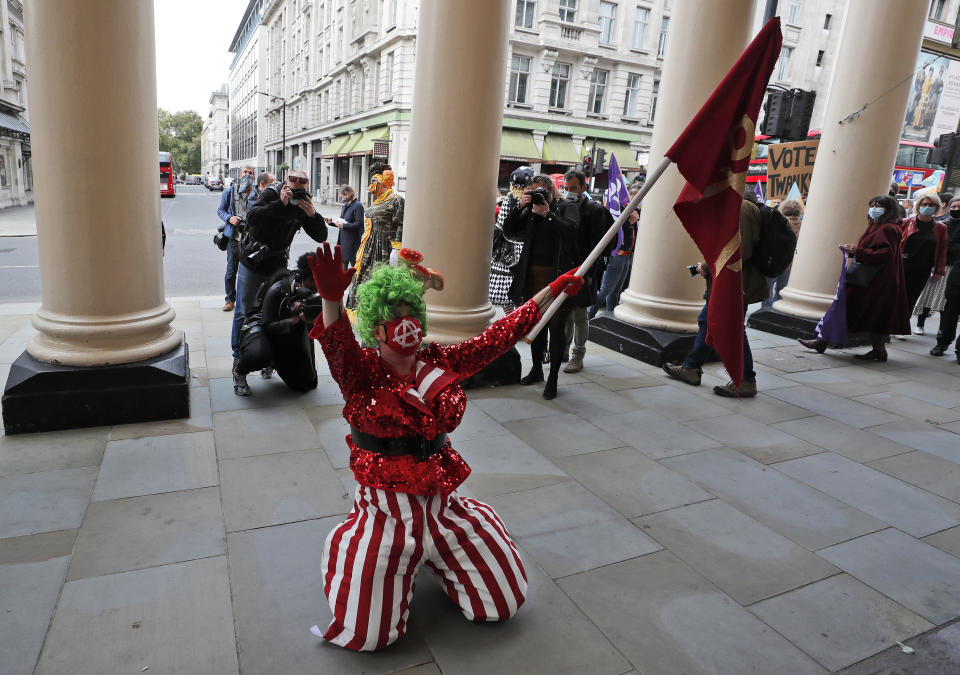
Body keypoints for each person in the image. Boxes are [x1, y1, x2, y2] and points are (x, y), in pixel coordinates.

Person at [304, 242, 583, 651]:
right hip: (387, 514)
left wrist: (551, 293)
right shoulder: (359, 372)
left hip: (442, 503)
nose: (407, 325)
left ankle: (444, 551)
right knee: (370, 636)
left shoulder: (438, 360)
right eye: (395, 317)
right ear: (376, 328)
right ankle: (351, 545)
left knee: (503, 603)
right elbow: (337, 345)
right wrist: (331, 300)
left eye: (411, 315)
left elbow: (497, 338)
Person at [231, 169, 327, 393]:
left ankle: (271, 360)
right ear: (286, 181)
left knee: (277, 313)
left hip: (278, 266)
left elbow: (321, 235)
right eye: (293, 181)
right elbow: (252, 219)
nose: (297, 187)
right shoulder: (272, 194)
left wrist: (313, 215)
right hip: (253, 263)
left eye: (303, 183)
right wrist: (279, 205)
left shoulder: (304, 202)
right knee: (244, 312)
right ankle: (239, 365)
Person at [663, 198, 767, 397]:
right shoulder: (738, 206)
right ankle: (691, 367)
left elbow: (738, 249)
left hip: (734, 282)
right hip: (730, 280)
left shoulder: (741, 208)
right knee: (707, 321)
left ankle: (746, 379)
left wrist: (706, 265)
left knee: (733, 329)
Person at [799, 195, 911, 361]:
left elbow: (884, 254)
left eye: (878, 205)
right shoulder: (878, 225)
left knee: (849, 308)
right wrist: (855, 251)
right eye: (872, 204)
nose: (874, 208)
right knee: (869, 313)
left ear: (889, 209)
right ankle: (826, 342)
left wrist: (857, 251)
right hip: (872, 279)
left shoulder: (888, 228)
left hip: (876, 281)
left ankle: (823, 342)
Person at [502, 174, 581, 399]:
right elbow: (509, 231)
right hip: (532, 277)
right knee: (535, 327)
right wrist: (520, 207)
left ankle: (553, 377)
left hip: (557, 277)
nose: (538, 196)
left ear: (551, 191)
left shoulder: (567, 206)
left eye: (542, 193)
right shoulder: (530, 209)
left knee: (556, 329)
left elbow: (571, 232)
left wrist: (548, 214)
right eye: (533, 192)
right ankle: (537, 370)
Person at [233, 253, 320, 395]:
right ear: (305, 279)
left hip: (288, 332)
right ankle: (239, 372)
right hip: (264, 326)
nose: (317, 288)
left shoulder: (308, 294)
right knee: (258, 354)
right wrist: (295, 319)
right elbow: (268, 326)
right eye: (315, 281)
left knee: (307, 383)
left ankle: (275, 361)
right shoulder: (278, 289)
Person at [559, 169, 613, 373]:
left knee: (580, 316)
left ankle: (577, 355)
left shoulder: (594, 210)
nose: (569, 192)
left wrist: (590, 274)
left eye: (573, 188)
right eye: (566, 188)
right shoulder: (564, 206)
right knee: (564, 313)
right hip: (566, 269)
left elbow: (596, 246)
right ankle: (563, 349)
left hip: (584, 270)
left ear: (583, 187)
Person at [345, 166, 404, 309]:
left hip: (384, 247)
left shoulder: (396, 200)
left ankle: (379, 317)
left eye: (373, 181)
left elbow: (400, 225)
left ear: (382, 181)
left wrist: (396, 249)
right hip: (369, 246)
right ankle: (364, 314)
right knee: (362, 280)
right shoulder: (376, 201)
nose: (370, 185)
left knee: (380, 282)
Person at [588, 185, 638, 318]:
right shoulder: (618, 210)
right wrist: (630, 223)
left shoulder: (633, 210)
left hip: (626, 256)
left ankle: (610, 316)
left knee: (614, 292)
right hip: (617, 255)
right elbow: (615, 231)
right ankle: (588, 317)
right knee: (605, 291)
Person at [489, 167, 534, 312]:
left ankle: (511, 321)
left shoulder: (509, 200)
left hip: (506, 250)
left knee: (507, 294)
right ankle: (515, 322)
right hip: (524, 248)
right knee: (520, 292)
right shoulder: (531, 201)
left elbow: (500, 225)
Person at [901, 193, 947, 335]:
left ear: (937, 208)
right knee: (897, 296)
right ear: (918, 206)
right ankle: (889, 324)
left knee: (911, 298)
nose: (927, 207)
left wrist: (939, 271)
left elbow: (942, 250)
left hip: (922, 269)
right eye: (924, 204)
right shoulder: (906, 222)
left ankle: (901, 327)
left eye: (931, 205)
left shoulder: (940, 228)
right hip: (902, 265)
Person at [218, 165, 256, 312]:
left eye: (250, 173)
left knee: (247, 272)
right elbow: (220, 210)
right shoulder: (229, 192)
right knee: (231, 271)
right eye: (245, 172)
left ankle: (244, 300)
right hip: (234, 238)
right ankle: (230, 300)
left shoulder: (257, 193)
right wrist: (229, 218)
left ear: (253, 177)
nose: (247, 175)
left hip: (251, 239)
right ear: (239, 176)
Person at [930, 198, 960, 360]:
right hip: (957, 277)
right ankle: (942, 342)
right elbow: (953, 244)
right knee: (950, 313)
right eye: (954, 206)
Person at [761, 199, 803, 310]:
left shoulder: (778, 223)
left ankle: (767, 310)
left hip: (774, 261)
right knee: (782, 288)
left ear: (783, 209)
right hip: (789, 263)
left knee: (768, 288)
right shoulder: (803, 226)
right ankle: (778, 309)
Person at [326, 185, 364, 268]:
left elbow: (359, 224)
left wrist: (344, 225)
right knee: (343, 265)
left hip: (353, 241)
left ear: (348, 194)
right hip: (344, 240)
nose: (340, 197)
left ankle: (355, 281)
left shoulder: (358, 206)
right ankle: (344, 281)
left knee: (355, 266)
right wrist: (331, 222)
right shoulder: (345, 206)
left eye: (342, 195)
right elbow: (342, 222)